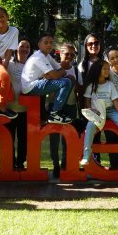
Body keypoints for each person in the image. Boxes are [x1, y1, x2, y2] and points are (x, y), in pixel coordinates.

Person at [79, 60, 118, 168]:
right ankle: (86, 155)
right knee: (90, 127)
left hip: (111, 110)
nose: (107, 71)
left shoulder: (109, 84)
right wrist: (91, 112)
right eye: (104, 69)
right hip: (97, 112)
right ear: (97, 70)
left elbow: (115, 101)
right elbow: (87, 102)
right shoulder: (91, 86)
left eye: (108, 69)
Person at [21, 34, 74, 124]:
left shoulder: (47, 56)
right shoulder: (39, 57)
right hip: (30, 87)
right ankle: (54, 114)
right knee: (66, 82)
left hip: (36, 84)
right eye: (46, 43)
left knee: (66, 81)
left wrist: (51, 75)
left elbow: (62, 71)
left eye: (51, 43)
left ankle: (51, 113)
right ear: (39, 44)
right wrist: (53, 75)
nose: (49, 45)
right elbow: (56, 75)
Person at [48, 43, 79, 178]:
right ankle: (55, 165)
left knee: (68, 139)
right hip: (54, 107)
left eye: (72, 54)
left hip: (70, 106)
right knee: (54, 139)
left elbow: (79, 89)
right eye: (67, 54)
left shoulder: (76, 70)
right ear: (60, 54)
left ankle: (65, 165)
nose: (70, 57)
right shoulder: (53, 68)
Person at [4, 38, 31, 170]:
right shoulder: (9, 64)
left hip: (25, 110)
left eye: (27, 47)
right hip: (8, 109)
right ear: (16, 48)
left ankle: (20, 164)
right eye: (22, 46)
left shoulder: (32, 66)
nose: (24, 49)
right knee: (8, 138)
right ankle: (9, 164)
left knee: (23, 139)